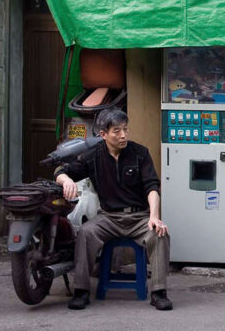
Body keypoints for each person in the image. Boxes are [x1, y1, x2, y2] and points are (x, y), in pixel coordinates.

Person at [55, 109, 173, 311]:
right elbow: (61, 171)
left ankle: (159, 292)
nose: (123, 135)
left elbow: (153, 188)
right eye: (116, 131)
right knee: (85, 232)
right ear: (103, 134)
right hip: (108, 217)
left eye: (125, 130)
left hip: (139, 217)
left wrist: (154, 217)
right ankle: (81, 291)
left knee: (159, 234)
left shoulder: (140, 153)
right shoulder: (92, 156)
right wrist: (65, 179)